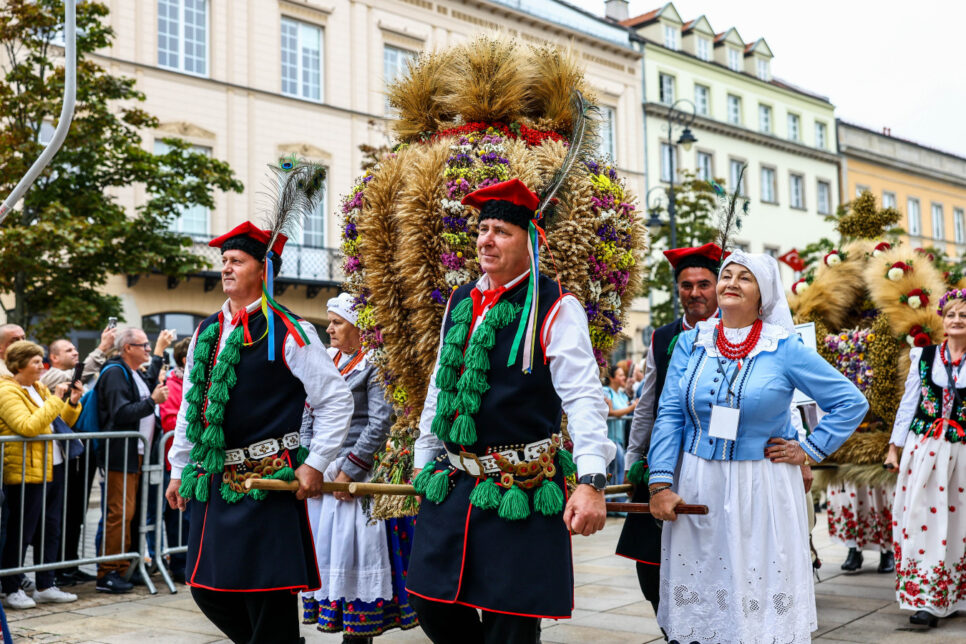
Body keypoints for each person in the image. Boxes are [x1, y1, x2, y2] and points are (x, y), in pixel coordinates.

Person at [406, 178, 614, 644]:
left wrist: (591, 480)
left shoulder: (556, 304)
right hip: (454, 482)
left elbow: (583, 397)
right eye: (483, 229)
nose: (486, 239)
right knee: (429, 601)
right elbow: (440, 385)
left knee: (510, 625)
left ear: (530, 241)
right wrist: (423, 460)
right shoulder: (461, 299)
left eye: (501, 231)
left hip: (521, 486)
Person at [647, 251, 867, 643]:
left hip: (762, 486)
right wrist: (660, 484)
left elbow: (850, 402)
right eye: (726, 275)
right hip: (699, 482)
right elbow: (669, 414)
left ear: (762, 294)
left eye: (744, 278)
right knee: (704, 585)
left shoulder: (784, 347)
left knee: (757, 586)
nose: (731, 282)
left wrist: (809, 449)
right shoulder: (690, 343)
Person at [164, 220, 353, 644]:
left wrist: (315, 463)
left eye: (237, 260)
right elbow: (192, 408)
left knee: (267, 597)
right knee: (208, 588)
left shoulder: (289, 329)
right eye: (224, 260)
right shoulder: (206, 331)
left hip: (268, 480)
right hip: (215, 481)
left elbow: (335, 399)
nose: (226, 268)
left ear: (263, 270)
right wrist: (178, 469)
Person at [302, 293, 418, 641]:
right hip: (323, 470)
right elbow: (308, 412)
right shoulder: (327, 360)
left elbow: (380, 422)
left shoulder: (375, 364)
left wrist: (350, 470)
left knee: (354, 553)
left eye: (337, 322)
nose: (329, 329)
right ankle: (344, 626)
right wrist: (308, 460)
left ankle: (358, 634)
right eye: (330, 322)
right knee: (329, 553)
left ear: (358, 327)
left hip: (356, 473)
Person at [615, 242, 723, 614]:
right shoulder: (662, 337)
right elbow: (647, 405)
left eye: (704, 284)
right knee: (651, 567)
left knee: (712, 562)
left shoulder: (739, 333)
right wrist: (633, 458)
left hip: (716, 462)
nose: (695, 293)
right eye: (686, 285)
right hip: (664, 463)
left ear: (718, 287)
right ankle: (670, 629)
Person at [886, 288, 966, 628]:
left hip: (962, 452)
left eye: (964, 315)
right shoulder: (923, 356)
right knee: (923, 519)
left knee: (960, 523)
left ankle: (955, 595)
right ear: (942, 320)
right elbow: (908, 404)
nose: (957, 320)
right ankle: (926, 600)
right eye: (951, 315)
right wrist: (894, 446)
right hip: (926, 449)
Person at [0, 340, 82, 608]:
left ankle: (46, 584)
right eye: (35, 361)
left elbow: (59, 423)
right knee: (21, 531)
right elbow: (28, 426)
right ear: (19, 364)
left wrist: (72, 402)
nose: (41, 366)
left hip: (52, 466)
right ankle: (11, 587)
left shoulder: (38, 387)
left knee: (51, 528)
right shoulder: (6, 391)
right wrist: (56, 399)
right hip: (25, 471)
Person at [95, 327, 171, 593]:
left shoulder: (134, 372)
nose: (148, 349)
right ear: (127, 348)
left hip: (138, 454)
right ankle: (108, 571)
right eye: (144, 345)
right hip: (121, 454)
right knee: (120, 513)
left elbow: (149, 385)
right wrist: (152, 402)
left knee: (134, 514)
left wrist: (158, 354)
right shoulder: (115, 372)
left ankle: (127, 566)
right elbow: (120, 413)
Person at [39, 328, 116, 587]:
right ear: (54, 357)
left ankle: (70, 563)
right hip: (60, 457)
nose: (75, 353)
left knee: (76, 513)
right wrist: (102, 348)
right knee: (64, 514)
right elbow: (78, 374)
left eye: (75, 349)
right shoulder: (51, 376)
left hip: (76, 453)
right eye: (69, 350)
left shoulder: (76, 378)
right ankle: (58, 569)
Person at [157, 337, 191, 583]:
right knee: (179, 516)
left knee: (189, 517)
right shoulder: (172, 384)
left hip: (196, 462)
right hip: (177, 463)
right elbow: (170, 421)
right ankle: (179, 564)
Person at [603, 364, 634, 489]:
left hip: (620, 440)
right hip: (611, 439)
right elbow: (610, 412)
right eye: (620, 375)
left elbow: (622, 409)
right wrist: (632, 407)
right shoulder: (606, 391)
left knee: (616, 473)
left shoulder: (622, 394)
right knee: (615, 473)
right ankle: (615, 500)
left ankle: (616, 500)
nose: (624, 377)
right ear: (612, 378)